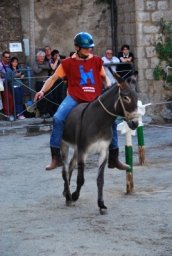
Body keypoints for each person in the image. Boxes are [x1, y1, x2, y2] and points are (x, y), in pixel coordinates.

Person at [34, 32, 130, 171]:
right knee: (58, 118)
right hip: (75, 97)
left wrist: (108, 87)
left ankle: (114, 158)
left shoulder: (97, 61)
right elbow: (53, 78)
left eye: (90, 47)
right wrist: (42, 91)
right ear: (77, 47)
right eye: (86, 48)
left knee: (113, 122)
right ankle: (56, 157)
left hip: (95, 98)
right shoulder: (67, 63)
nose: (89, 49)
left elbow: (104, 77)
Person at [32, 51, 52, 119]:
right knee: (40, 99)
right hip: (39, 82)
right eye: (40, 57)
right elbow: (37, 71)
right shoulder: (35, 63)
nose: (42, 58)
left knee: (50, 98)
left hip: (46, 82)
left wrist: (41, 66)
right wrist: (43, 67)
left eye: (43, 56)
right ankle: (42, 113)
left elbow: (49, 67)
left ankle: (48, 111)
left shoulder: (46, 62)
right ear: (37, 57)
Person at [49, 49, 65, 114]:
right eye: (56, 55)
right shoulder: (51, 60)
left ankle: (60, 110)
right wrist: (56, 60)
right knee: (55, 96)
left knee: (60, 95)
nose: (57, 56)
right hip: (54, 80)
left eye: (58, 55)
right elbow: (53, 68)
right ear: (53, 56)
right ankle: (55, 111)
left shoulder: (60, 61)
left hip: (60, 79)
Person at [0, 51, 14, 121]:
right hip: (4, 84)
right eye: (6, 57)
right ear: (3, 57)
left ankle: (12, 113)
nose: (7, 59)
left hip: (12, 83)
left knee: (12, 98)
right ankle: (8, 114)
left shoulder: (11, 64)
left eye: (9, 57)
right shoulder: (0, 65)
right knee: (7, 99)